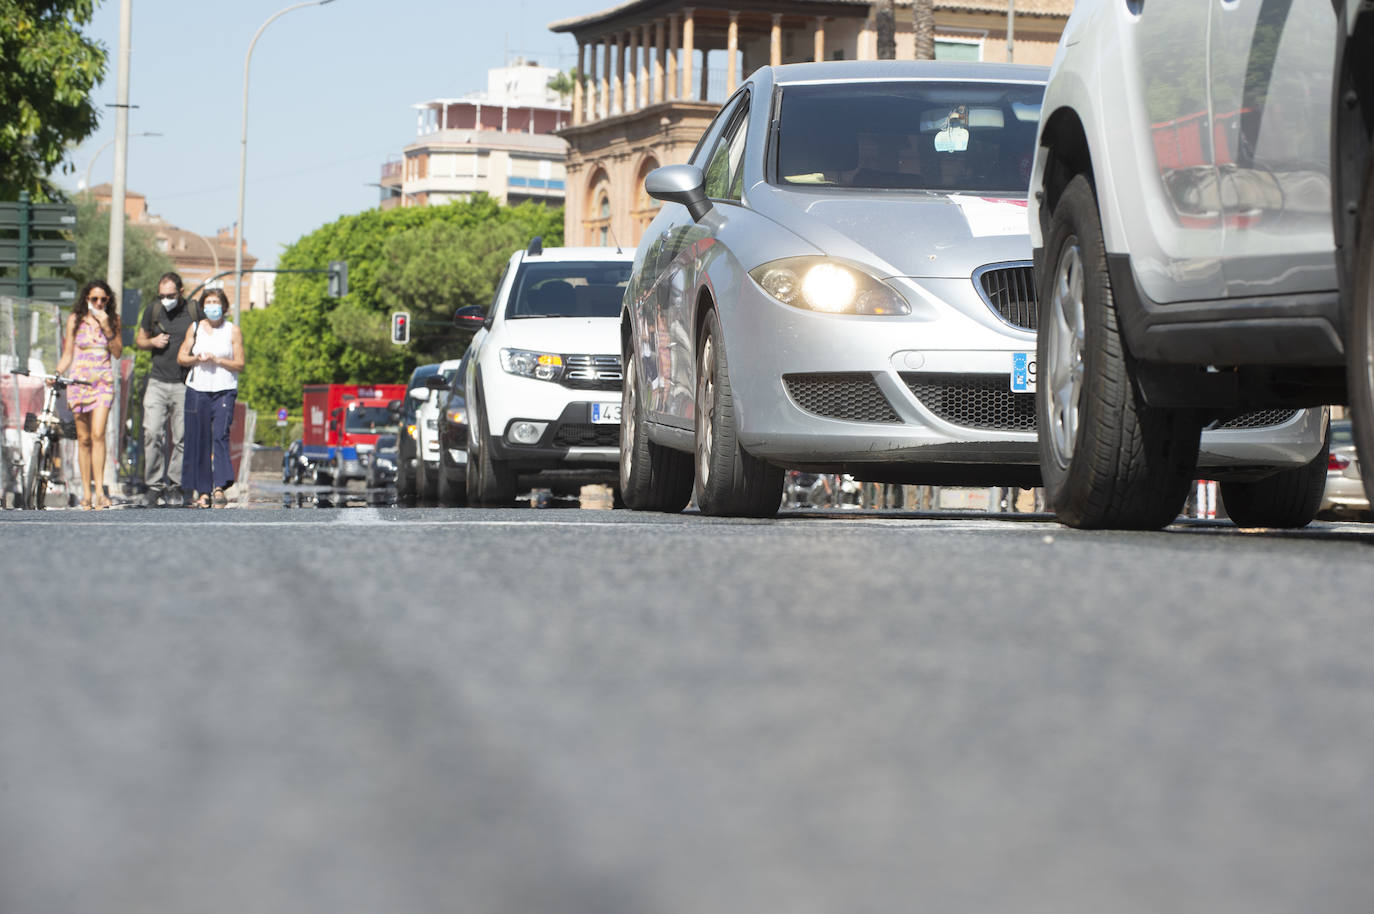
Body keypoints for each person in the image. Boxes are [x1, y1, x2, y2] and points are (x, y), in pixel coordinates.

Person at [54, 280, 122, 509]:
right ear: (87, 299)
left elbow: (118, 352)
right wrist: (56, 373)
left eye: (104, 299)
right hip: (79, 382)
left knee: (98, 434)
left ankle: (100, 491)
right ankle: (85, 493)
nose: (99, 303)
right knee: (83, 439)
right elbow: (67, 354)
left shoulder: (112, 320)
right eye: (95, 299)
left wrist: (107, 327)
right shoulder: (75, 320)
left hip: (103, 382)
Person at [136, 271, 198, 506]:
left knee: (182, 437)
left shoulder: (193, 311)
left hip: (184, 383)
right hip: (157, 382)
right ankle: (153, 485)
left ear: (180, 292)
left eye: (170, 295)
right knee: (151, 432)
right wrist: (152, 342)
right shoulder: (153, 310)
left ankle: (175, 484)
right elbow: (140, 340)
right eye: (161, 295)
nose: (165, 299)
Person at [177, 289, 244, 507]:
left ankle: (220, 485)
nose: (212, 306)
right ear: (203, 307)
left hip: (224, 389)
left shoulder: (232, 330)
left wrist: (218, 360)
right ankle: (202, 490)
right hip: (198, 389)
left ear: (224, 306)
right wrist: (197, 357)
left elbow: (240, 364)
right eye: (208, 302)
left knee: (220, 435)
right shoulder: (195, 328)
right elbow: (181, 357)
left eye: (216, 302)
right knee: (199, 438)